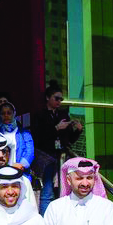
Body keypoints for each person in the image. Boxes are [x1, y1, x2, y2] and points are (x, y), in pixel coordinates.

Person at [32, 83, 82, 211]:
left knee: (64, 191)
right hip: (47, 157)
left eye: (61, 99)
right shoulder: (40, 115)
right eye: (57, 98)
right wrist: (56, 128)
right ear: (48, 98)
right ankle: (45, 221)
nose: (59, 101)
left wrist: (78, 130)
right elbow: (38, 138)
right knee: (47, 193)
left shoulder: (63, 115)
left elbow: (69, 139)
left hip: (62, 157)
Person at [0, 100, 33, 174]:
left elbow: (30, 151)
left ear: (14, 114)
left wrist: (21, 165)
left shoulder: (24, 133)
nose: (6, 115)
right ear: (0, 115)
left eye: (9, 113)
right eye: (3, 113)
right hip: (0, 171)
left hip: (21, 172)